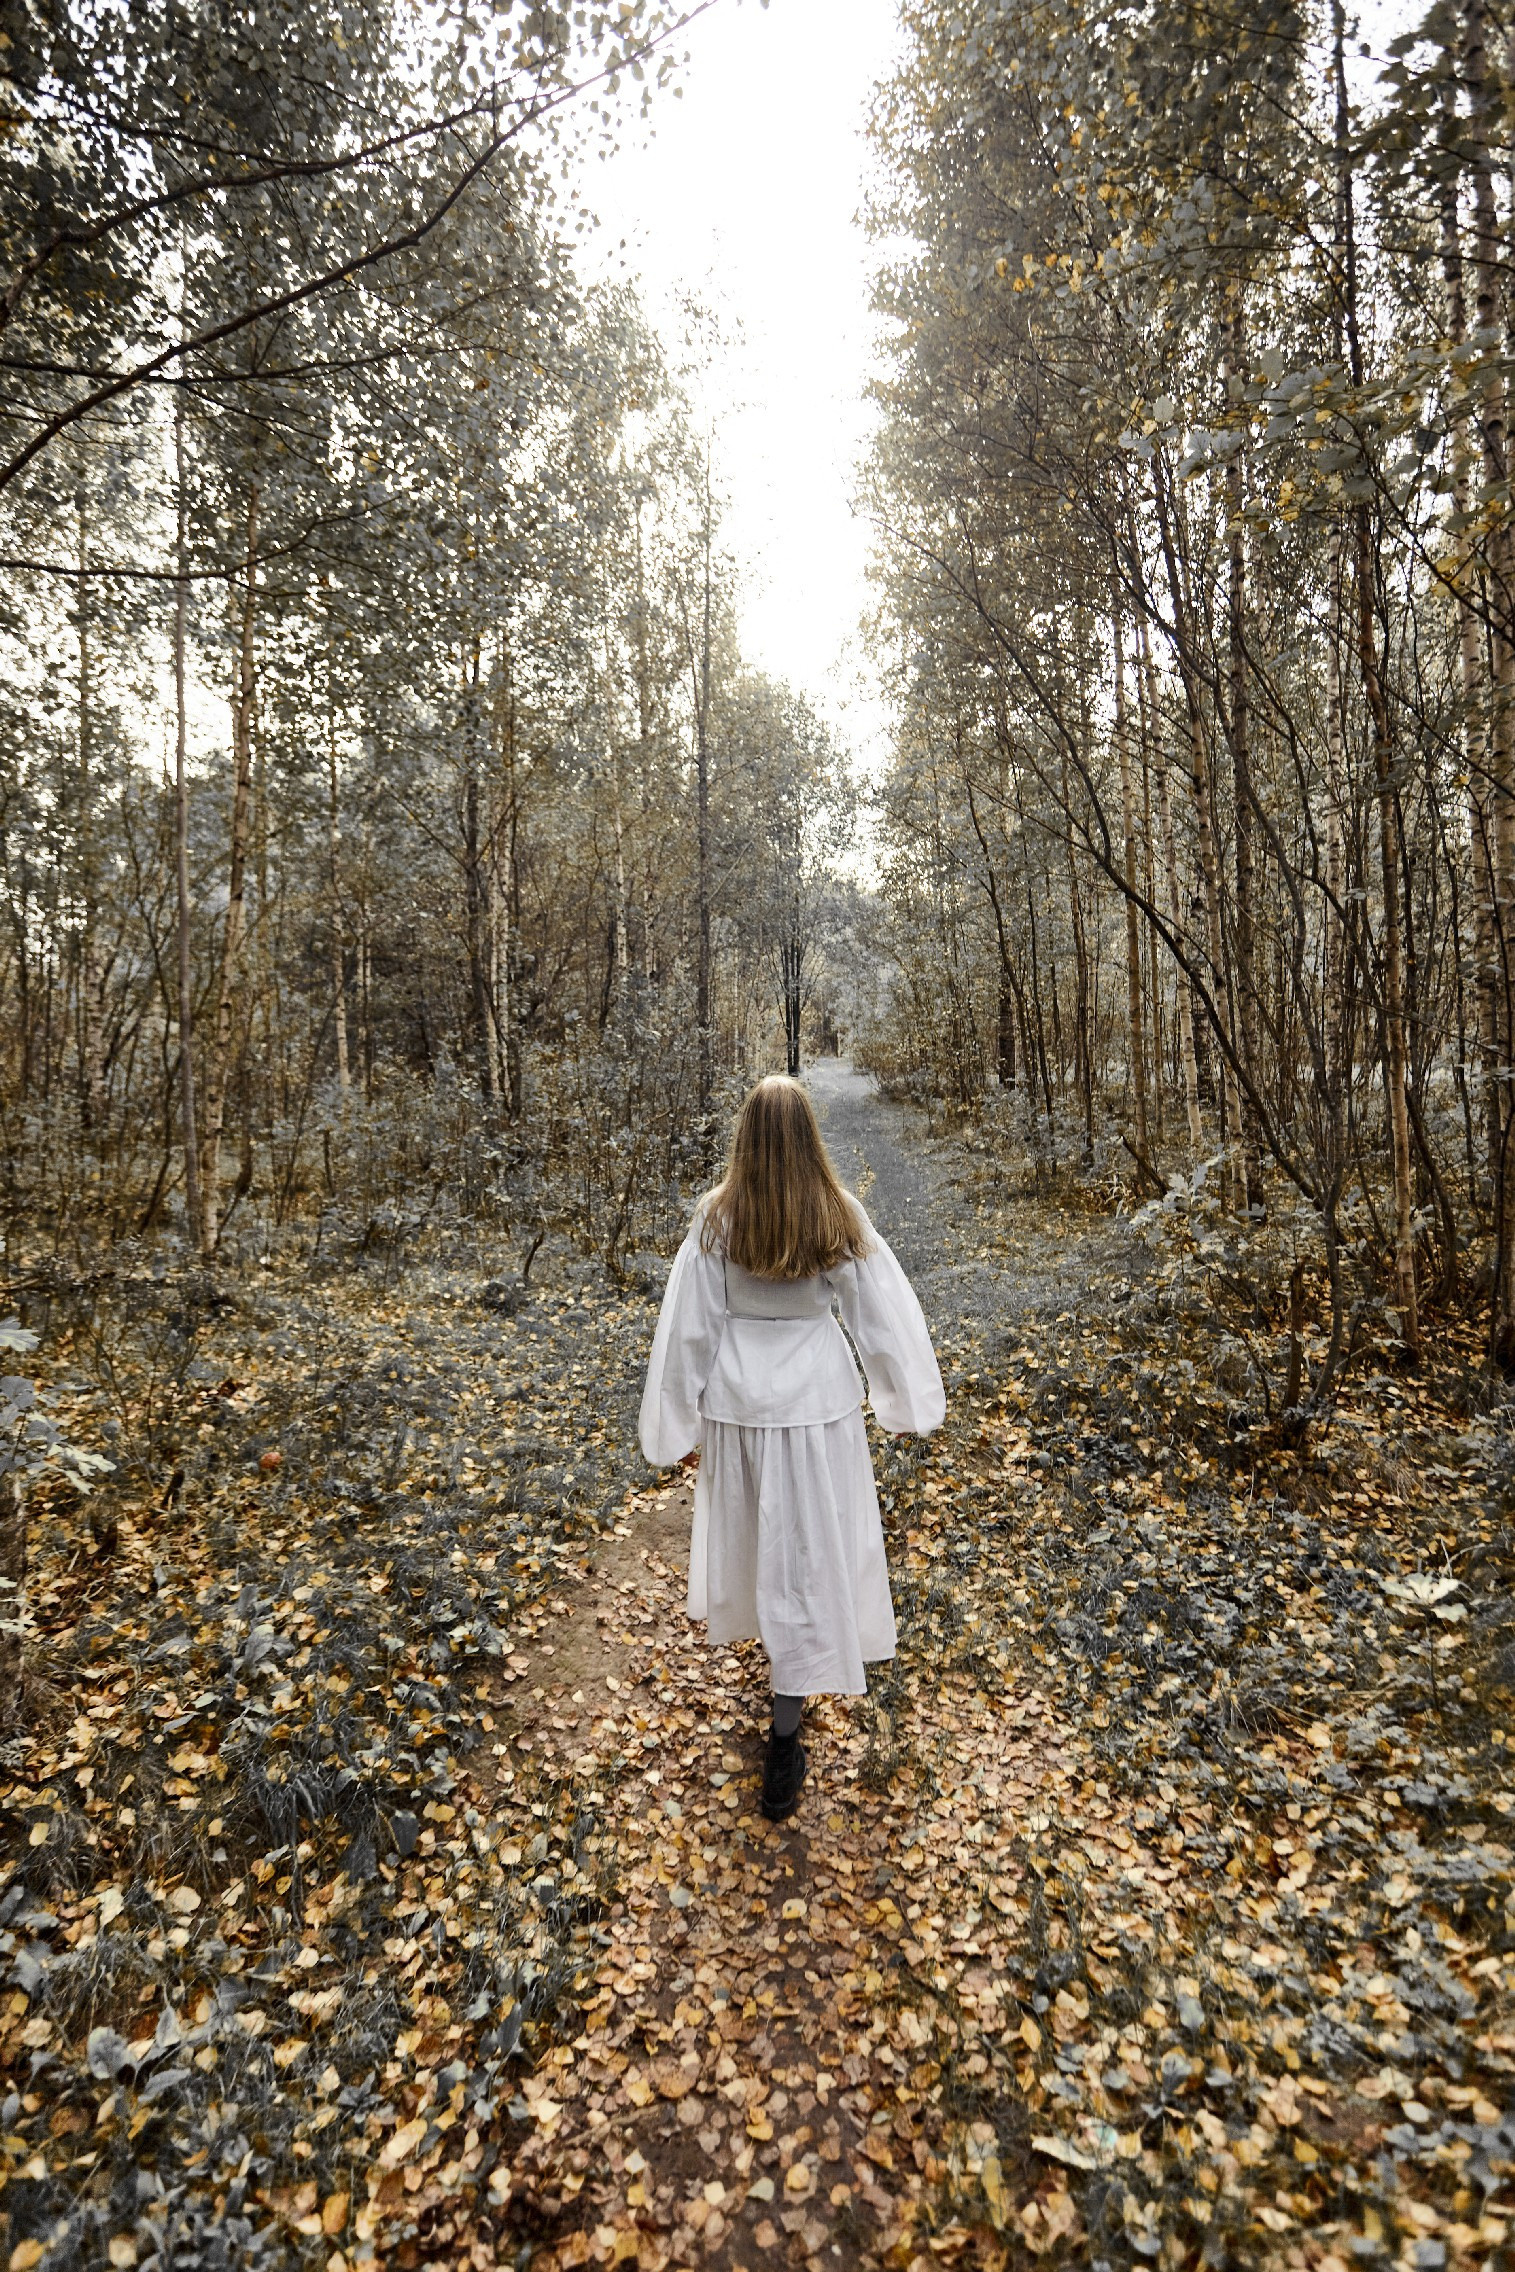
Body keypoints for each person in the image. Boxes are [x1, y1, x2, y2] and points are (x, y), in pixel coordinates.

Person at [638, 1074, 945, 1820]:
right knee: (803, 1558)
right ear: (809, 1135)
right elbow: (881, 1318)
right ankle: (785, 1726)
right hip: (816, 1410)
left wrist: (674, 1430)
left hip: (741, 1412)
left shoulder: (717, 1217)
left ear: (745, 1136)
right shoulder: (835, 1212)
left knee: (760, 1553)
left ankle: (782, 1711)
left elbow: (688, 1332)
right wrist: (902, 1404)